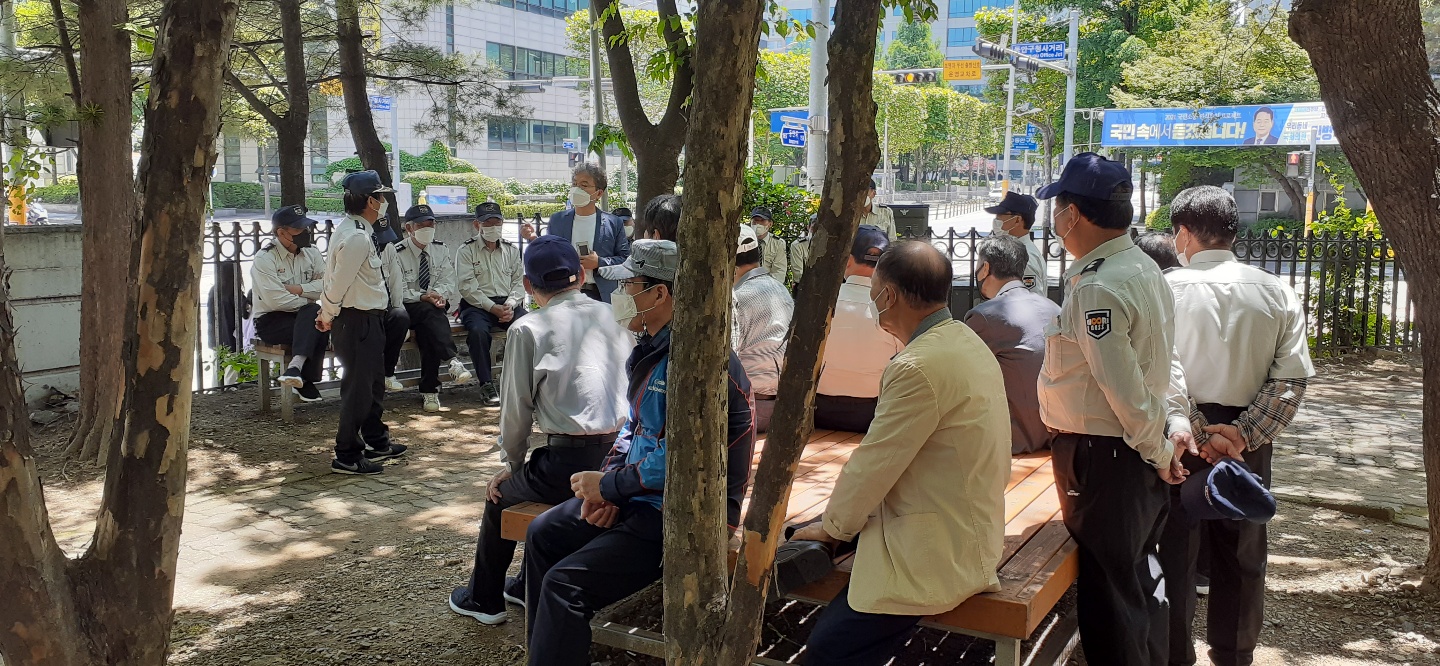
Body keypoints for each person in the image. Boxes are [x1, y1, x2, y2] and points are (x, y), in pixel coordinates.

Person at [521, 240, 755, 666]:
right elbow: (634, 426)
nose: (619, 294)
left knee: (564, 585)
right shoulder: (652, 345)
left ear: (659, 293)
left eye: (628, 285)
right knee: (543, 532)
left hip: (682, 514)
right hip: (639, 495)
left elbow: (684, 461)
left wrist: (612, 487)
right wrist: (608, 492)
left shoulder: (697, 361)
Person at [790, 242, 1010, 665]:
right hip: (967, 528)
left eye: (874, 288)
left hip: (934, 550)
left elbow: (874, 464)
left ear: (888, 295)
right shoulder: (965, 341)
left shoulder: (916, 366)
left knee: (829, 648)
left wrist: (832, 529)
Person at [1034, 153, 1194, 664]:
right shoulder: (1141, 267)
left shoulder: (1099, 284)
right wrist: (1170, 428)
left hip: (1107, 456)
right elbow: (1164, 361)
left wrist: (1158, 451)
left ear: (1073, 214)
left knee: (1111, 597)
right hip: (1132, 449)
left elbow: (1122, 388)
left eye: (1058, 207)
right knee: (1140, 580)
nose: (1055, 218)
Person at [1159, 185, 1314, 666]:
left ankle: (1175, 653)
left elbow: (1156, 371)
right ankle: (1234, 654)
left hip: (1179, 436)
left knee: (1175, 550)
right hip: (1247, 441)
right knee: (1244, 551)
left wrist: (1198, 430)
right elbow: (1290, 380)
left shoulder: (1163, 288)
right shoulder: (1276, 289)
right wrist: (1242, 434)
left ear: (1184, 233)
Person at [447, 235, 633, 626]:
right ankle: (521, 585)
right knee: (533, 482)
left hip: (568, 462)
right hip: (624, 455)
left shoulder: (528, 328)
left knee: (499, 495)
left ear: (528, 286)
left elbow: (515, 410)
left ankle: (484, 599)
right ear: (581, 274)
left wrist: (512, 465)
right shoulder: (615, 314)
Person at [317, 170, 410, 475]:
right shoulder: (356, 237)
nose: (384, 203)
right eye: (381, 197)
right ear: (371, 201)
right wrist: (326, 315)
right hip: (356, 320)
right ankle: (346, 454)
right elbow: (337, 284)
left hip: (369, 319)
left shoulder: (359, 231)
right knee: (358, 390)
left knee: (371, 385)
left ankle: (375, 441)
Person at [962, 235, 1061, 454]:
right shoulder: (1054, 308)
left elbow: (961, 377)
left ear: (985, 268)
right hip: (1058, 435)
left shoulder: (984, 316)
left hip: (1014, 440)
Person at [813, 225, 902, 433]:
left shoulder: (821, 303)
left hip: (819, 410)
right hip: (873, 415)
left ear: (848, 260)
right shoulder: (894, 308)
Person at [387, 204, 472, 412]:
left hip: (434, 307)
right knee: (430, 314)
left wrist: (437, 295)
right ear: (409, 228)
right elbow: (398, 290)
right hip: (407, 307)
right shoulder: (397, 252)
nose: (428, 228)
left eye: (431, 224)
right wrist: (423, 296)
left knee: (429, 328)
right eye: (422, 225)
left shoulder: (440, 249)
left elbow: (447, 280)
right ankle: (448, 365)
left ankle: (431, 390)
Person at [252, 205, 328, 403]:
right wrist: (309, 297)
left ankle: (295, 368)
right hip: (271, 320)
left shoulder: (312, 252)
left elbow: (327, 285)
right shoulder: (265, 258)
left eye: (306, 227)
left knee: (316, 318)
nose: (305, 232)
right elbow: (276, 300)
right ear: (281, 232)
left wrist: (296, 288)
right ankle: (306, 378)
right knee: (316, 317)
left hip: (303, 317)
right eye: (298, 229)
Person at [521, 163, 629, 302]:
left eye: (584, 185)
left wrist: (599, 262)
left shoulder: (614, 223)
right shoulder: (558, 220)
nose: (577, 189)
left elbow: (625, 259)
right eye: (574, 184)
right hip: (564, 293)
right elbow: (550, 253)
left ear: (599, 193)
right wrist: (534, 239)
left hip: (602, 294)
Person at [455, 202, 526, 407]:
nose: (493, 227)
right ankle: (486, 383)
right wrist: (491, 307)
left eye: (497, 222)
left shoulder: (511, 250)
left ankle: (524, 380)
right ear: (477, 225)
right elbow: (467, 286)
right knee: (477, 332)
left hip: (507, 303)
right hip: (477, 305)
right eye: (488, 223)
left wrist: (510, 304)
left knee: (529, 327)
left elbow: (518, 282)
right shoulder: (466, 250)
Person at [733, 224, 793, 433]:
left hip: (748, 409)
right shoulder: (779, 288)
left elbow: (725, 360)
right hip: (781, 405)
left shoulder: (738, 298)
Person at [985, 191, 1047, 296]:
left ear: (1017, 220)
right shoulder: (1013, 252)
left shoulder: (1025, 259)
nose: (996, 220)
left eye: (1001, 215)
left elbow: (1033, 302)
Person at [748, 206, 789, 282]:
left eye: (762, 221)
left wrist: (767, 286)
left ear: (770, 224)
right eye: (755, 220)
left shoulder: (778, 243)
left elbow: (779, 271)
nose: (758, 224)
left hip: (769, 285)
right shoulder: (743, 240)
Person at [789, 214, 816, 287]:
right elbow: (798, 275)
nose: (816, 232)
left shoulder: (830, 246)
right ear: (808, 227)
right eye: (814, 228)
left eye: (819, 229)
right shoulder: (798, 245)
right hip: (804, 286)